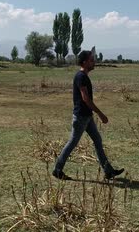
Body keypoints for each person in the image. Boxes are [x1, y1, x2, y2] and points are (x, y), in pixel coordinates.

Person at [53, 50, 124, 180]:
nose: (94, 62)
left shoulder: (84, 76)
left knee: (97, 140)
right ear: (85, 62)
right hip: (81, 117)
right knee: (72, 143)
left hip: (87, 116)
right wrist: (100, 114)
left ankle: (108, 171)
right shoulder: (81, 77)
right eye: (91, 60)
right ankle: (57, 170)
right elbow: (86, 99)